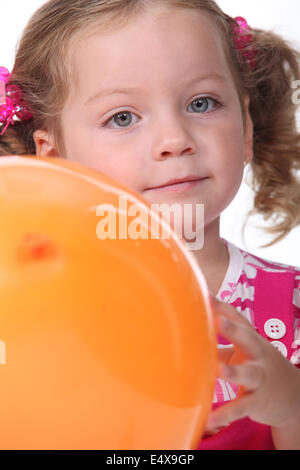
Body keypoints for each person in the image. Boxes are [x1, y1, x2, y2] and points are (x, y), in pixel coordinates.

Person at [1, 0, 300, 450]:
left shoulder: (292, 306)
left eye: (202, 103)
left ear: (246, 131)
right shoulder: (27, 312)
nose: (174, 140)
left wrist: (290, 405)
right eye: (123, 117)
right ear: (57, 159)